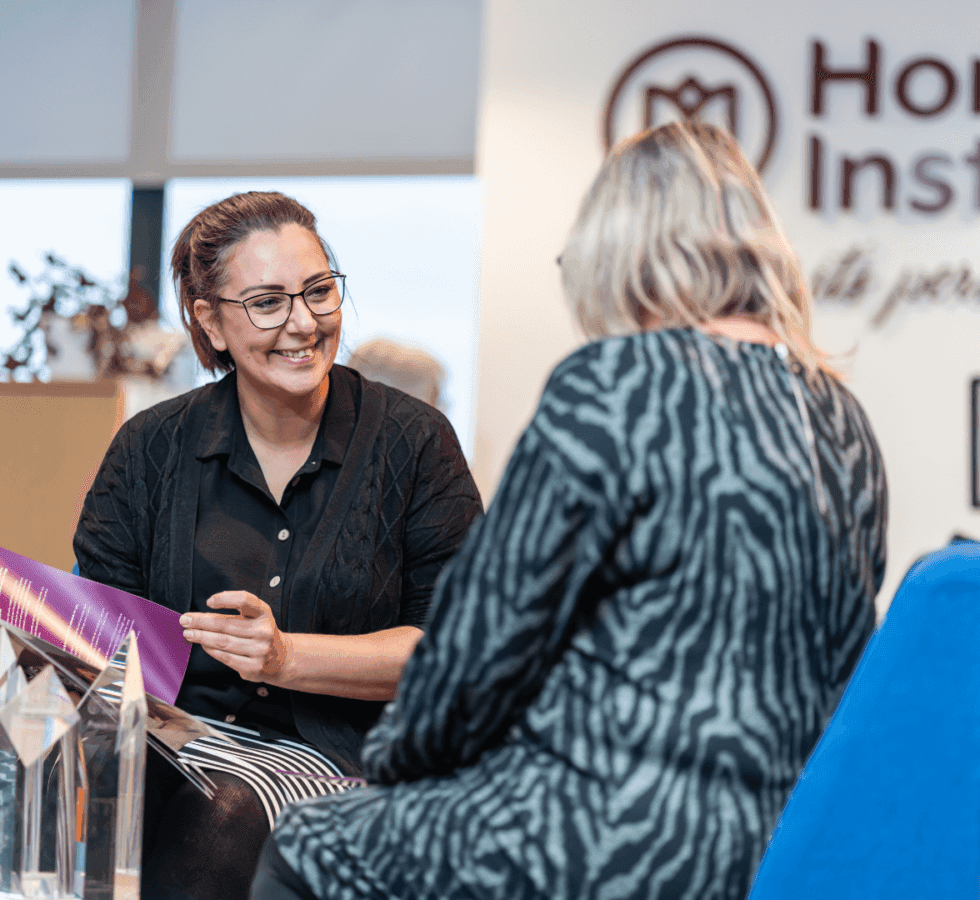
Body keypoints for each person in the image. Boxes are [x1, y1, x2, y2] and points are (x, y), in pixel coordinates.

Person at [255, 120, 888, 900]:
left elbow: (477, 646)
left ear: (617, 249)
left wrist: (391, 772)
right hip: (774, 841)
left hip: (599, 833)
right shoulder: (834, 411)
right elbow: (849, 660)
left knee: (311, 839)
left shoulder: (618, 381)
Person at [73, 191, 483, 899]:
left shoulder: (413, 443)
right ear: (211, 321)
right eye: (267, 302)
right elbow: (96, 636)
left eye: (319, 291)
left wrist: (284, 657)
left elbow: (458, 652)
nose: (304, 322)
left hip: (341, 757)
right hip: (167, 745)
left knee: (219, 811)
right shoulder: (150, 448)